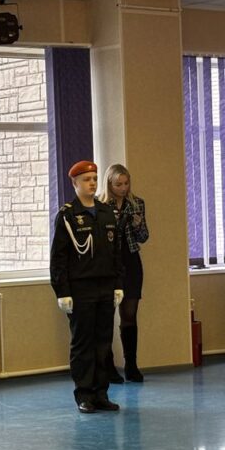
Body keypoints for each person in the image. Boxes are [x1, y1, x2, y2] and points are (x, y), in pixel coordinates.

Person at [51, 160, 124, 414]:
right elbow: (58, 258)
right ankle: (84, 394)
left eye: (94, 179)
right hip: (80, 289)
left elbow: (116, 253)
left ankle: (101, 393)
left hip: (105, 287)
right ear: (75, 183)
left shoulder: (106, 212)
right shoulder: (68, 215)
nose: (92, 183)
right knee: (83, 344)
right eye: (86, 179)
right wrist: (62, 291)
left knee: (103, 343)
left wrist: (118, 284)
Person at [97, 163, 148, 383]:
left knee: (129, 314)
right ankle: (108, 366)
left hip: (131, 260)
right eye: (118, 184)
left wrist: (137, 225)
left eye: (126, 183)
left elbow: (144, 237)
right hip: (108, 264)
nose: (123, 188)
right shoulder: (100, 205)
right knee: (106, 316)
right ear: (109, 184)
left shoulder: (137, 204)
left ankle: (131, 365)